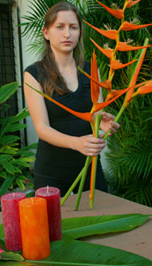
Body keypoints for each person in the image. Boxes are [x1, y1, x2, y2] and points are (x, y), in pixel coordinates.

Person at [23, 1, 119, 197]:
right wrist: (76, 143)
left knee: (99, 220)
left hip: (89, 169)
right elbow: (42, 128)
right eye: (60, 27)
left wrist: (102, 122)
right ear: (46, 33)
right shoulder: (34, 74)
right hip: (51, 172)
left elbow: (95, 113)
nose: (67, 34)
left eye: (73, 27)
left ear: (79, 32)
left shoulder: (91, 70)